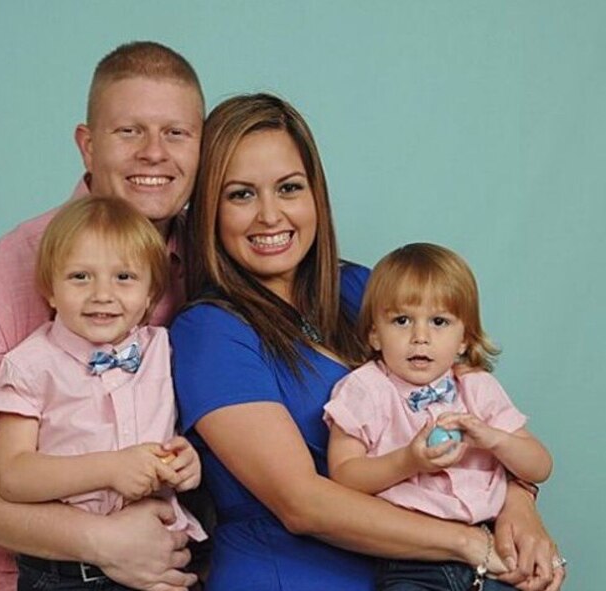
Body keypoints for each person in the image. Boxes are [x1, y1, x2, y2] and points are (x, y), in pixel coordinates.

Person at [169, 93, 565, 591]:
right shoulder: (209, 331)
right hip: (290, 574)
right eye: (241, 195)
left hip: (421, 573)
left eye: (289, 188)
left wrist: (519, 505)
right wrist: (472, 544)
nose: (270, 215)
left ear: (316, 193)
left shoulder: (363, 289)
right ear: (208, 209)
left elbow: (472, 407)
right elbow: (302, 504)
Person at [0, 41, 204, 591]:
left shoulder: (210, 262)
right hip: (35, 576)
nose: (154, 153)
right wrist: (103, 541)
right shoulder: (5, 274)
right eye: (129, 131)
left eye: (176, 133)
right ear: (87, 146)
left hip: (170, 570)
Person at [0, 196, 207, 590]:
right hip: (70, 574)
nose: (102, 294)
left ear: (151, 294)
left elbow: (176, 432)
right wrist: (110, 468)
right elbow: (12, 475)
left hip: (160, 555)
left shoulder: (161, 350)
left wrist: (185, 461)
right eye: (80, 277)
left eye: (123, 277)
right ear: (49, 289)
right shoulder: (31, 365)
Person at [324, 242, 553, 590]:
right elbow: (343, 476)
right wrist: (408, 461)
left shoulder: (477, 388)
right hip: (411, 559)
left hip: (491, 548)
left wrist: (496, 439)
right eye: (402, 321)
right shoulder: (363, 390)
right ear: (374, 333)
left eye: (439, 321)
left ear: (464, 338)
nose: (420, 337)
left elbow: (540, 467)